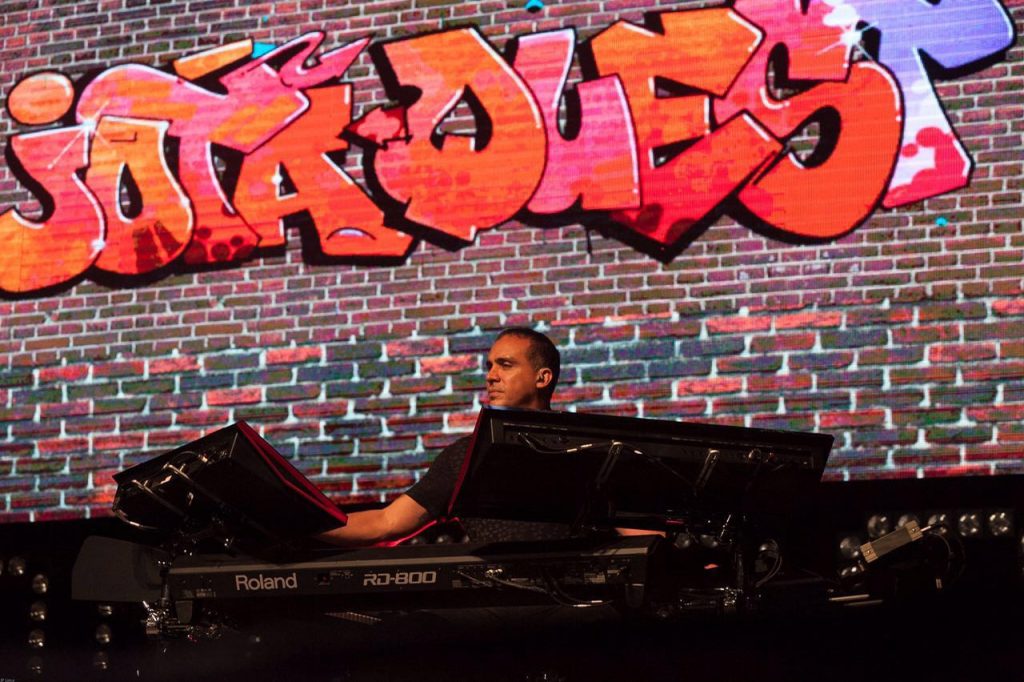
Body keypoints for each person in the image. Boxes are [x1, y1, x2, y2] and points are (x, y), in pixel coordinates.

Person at [318, 327, 568, 546]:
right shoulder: (465, 455)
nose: (491, 376)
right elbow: (385, 521)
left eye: (505, 365)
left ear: (542, 378)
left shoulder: (584, 448)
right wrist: (305, 525)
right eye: (490, 366)